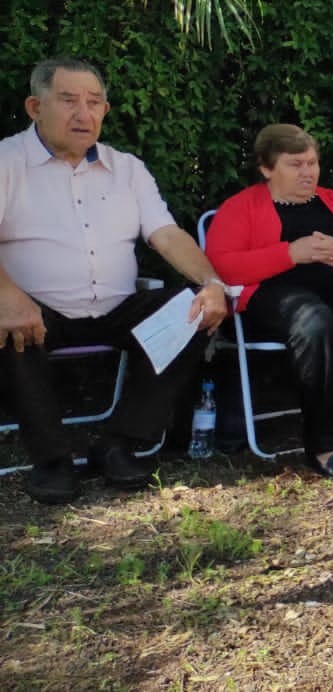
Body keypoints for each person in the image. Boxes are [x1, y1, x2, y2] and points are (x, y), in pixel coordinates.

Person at [0, 57, 229, 504]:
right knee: (8, 327)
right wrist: (7, 294)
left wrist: (211, 282)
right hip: (35, 309)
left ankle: (120, 442)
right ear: (34, 106)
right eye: (68, 101)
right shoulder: (6, 161)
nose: (83, 114)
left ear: (105, 110)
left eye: (94, 102)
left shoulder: (127, 168)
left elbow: (165, 234)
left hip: (116, 306)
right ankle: (52, 459)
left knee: (194, 310)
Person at [205, 125, 333, 481]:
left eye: (312, 163)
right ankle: (325, 445)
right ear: (267, 169)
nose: (308, 172)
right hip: (272, 295)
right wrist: (290, 253)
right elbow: (223, 266)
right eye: (295, 164)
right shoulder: (241, 207)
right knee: (317, 322)